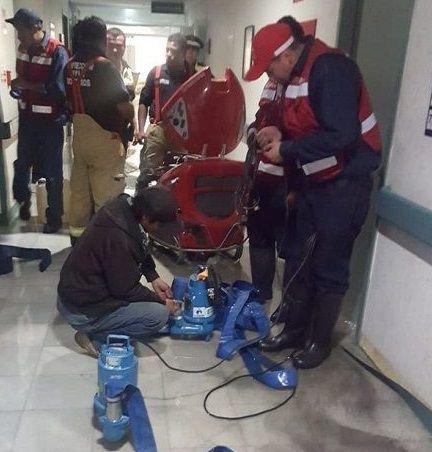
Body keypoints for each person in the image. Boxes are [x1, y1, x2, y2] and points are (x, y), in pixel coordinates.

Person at [244, 18, 382, 369]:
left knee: (328, 266)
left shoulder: (331, 70)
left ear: (287, 56)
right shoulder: (294, 76)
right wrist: (278, 133)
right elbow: (305, 125)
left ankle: (318, 343)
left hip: (344, 186)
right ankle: (293, 331)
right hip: (313, 183)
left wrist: (287, 150)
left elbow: (342, 136)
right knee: (298, 258)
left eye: (268, 68)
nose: (268, 76)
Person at [57, 186, 179, 357]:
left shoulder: (123, 208)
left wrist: (153, 276)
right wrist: (161, 301)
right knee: (157, 316)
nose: (160, 229)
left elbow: (140, 242)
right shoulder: (118, 238)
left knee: (149, 304)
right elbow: (126, 290)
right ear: (145, 217)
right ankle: (95, 338)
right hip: (82, 309)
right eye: (159, 224)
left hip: (77, 294)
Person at [65, 16, 134, 244]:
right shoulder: (105, 67)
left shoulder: (69, 66)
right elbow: (124, 108)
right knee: (107, 196)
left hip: (80, 139)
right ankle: (104, 245)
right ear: (101, 39)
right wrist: (131, 115)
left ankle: (78, 242)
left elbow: (67, 101)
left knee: (80, 195)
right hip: (105, 140)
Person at [6, 8, 69, 233]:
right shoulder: (23, 48)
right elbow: (22, 80)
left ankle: (54, 217)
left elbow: (59, 90)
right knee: (22, 165)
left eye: (20, 31)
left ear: (35, 28)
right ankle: (23, 199)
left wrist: (26, 85)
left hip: (50, 122)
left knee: (52, 173)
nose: (18, 36)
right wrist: (18, 89)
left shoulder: (57, 52)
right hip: (27, 120)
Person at [246, 78, 286, 302]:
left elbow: (311, 134)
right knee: (260, 238)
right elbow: (260, 117)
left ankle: (289, 309)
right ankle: (260, 298)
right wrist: (254, 132)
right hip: (262, 180)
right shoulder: (272, 84)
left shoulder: (303, 87)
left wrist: (283, 140)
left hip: (289, 184)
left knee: (291, 249)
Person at [135, 33, 190, 191]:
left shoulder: (193, 76)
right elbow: (144, 101)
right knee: (148, 174)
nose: (169, 54)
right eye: (167, 50)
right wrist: (141, 130)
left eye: (174, 51)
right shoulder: (156, 73)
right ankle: (142, 201)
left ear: (183, 54)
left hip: (182, 132)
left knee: (180, 176)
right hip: (158, 128)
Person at [106, 27, 138, 147]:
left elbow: (129, 101)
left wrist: (134, 124)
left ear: (124, 47)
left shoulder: (127, 71)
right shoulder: (96, 69)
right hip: (101, 131)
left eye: (119, 46)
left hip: (122, 131)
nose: (115, 50)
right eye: (110, 46)